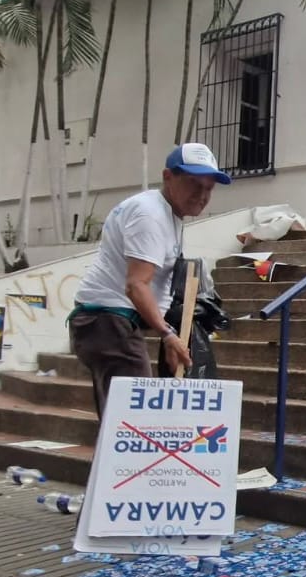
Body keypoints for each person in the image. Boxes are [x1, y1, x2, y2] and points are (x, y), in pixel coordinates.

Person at [68, 143, 230, 417]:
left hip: (106, 320)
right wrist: (168, 335)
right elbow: (136, 285)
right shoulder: (151, 216)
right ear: (168, 177)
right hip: (108, 320)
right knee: (133, 417)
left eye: (209, 188)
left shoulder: (165, 212)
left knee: (119, 420)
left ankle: (109, 460)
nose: (201, 195)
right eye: (194, 184)